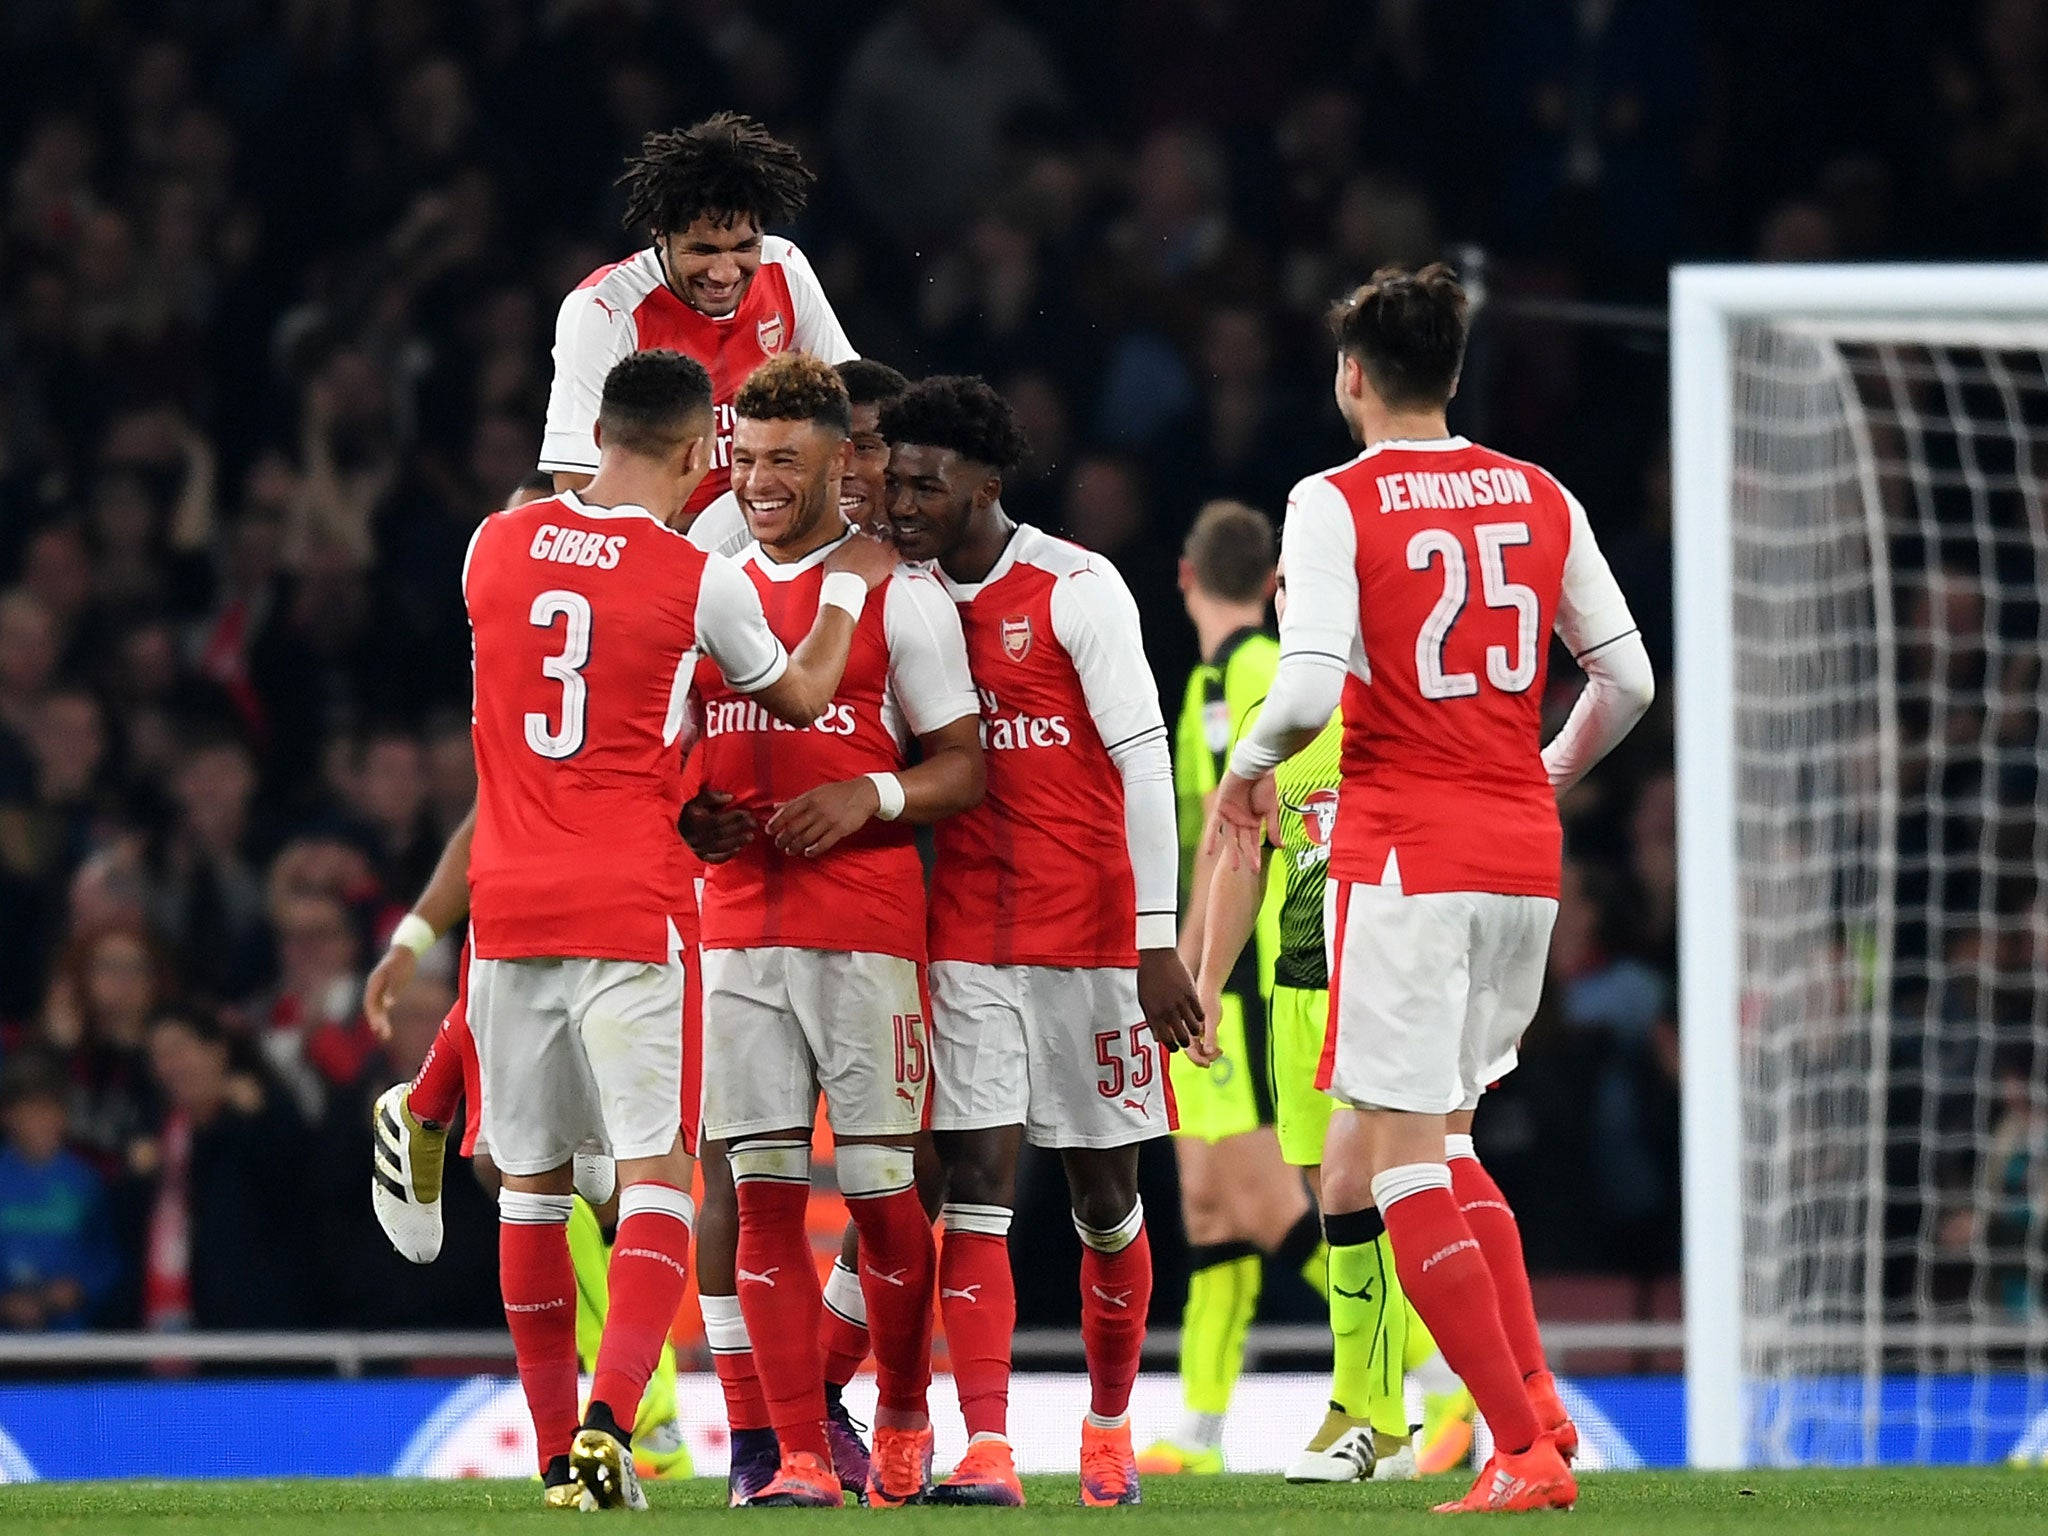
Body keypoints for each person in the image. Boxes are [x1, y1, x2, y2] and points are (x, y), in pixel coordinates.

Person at [1215, 264, 1654, 1514]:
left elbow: (1302, 693)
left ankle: (1515, 1450)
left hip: (1403, 857)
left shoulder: (1330, 498)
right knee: (1451, 1142)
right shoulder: (1538, 490)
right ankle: (1543, 1410)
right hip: (1521, 858)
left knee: (1399, 1159)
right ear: (1451, 375)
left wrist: (1247, 771)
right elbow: (1623, 686)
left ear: (1349, 375)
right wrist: (1540, 774)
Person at [457, 348, 896, 1512]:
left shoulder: (489, 546)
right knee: (659, 1174)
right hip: (630, 905)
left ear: (595, 434)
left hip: (503, 912)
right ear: (704, 451)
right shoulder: (691, 576)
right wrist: (848, 585)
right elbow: (802, 695)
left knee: (532, 1191)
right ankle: (611, 1423)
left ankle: (559, 1461)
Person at [877, 376, 1203, 1507]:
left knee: (1104, 1198)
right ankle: (989, 1444)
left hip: (1095, 939)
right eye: (893, 477)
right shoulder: (899, 597)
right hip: (966, 934)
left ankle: (1110, 1427)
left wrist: (1154, 943)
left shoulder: (1073, 587)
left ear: (985, 486)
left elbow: (1144, 759)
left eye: (926, 482)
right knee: (973, 1181)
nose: (902, 497)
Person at [679, 354, 983, 1509]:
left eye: (784, 461)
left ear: (834, 460)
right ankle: (796, 1454)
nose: (759, 482)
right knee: (758, 1195)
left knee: (878, 1196)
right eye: (744, 459)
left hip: (863, 926)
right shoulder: (702, 581)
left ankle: (902, 1413)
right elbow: (670, 743)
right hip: (738, 925)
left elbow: (963, 765)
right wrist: (691, 814)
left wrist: (871, 796)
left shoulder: (896, 590)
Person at [1190, 556, 1460, 1484]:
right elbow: (1242, 861)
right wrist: (1206, 985)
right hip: (1296, 997)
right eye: (1295, 597)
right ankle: (1385, 1412)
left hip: (1381, 993)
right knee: (1328, 1192)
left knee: (1363, 1187)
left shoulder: (1400, 713)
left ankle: (1384, 1406)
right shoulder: (1279, 727)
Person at [1144, 499, 1328, 1479]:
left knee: (1268, 1205)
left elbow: (1233, 838)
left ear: (1183, 576)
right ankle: (1202, 1430)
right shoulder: (1219, 680)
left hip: (1240, 975)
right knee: (1209, 1208)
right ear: (1266, 581)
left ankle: (1430, 1382)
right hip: (1210, 962)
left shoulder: (1249, 678)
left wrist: (1188, 971)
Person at [538, 113, 855, 527]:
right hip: (665, 538)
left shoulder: (785, 268)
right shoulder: (604, 311)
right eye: (702, 250)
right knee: (526, 499)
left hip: (774, 523)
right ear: (659, 233)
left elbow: (850, 401)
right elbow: (577, 484)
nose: (724, 273)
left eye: (744, 247)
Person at [0, 1049, 119, 1330]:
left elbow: (108, 1258)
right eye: (31, 1110)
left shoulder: (85, 1180)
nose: (43, 1120)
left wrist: (80, 1290)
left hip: (69, 1340)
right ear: (8, 1116)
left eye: (51, 1109)